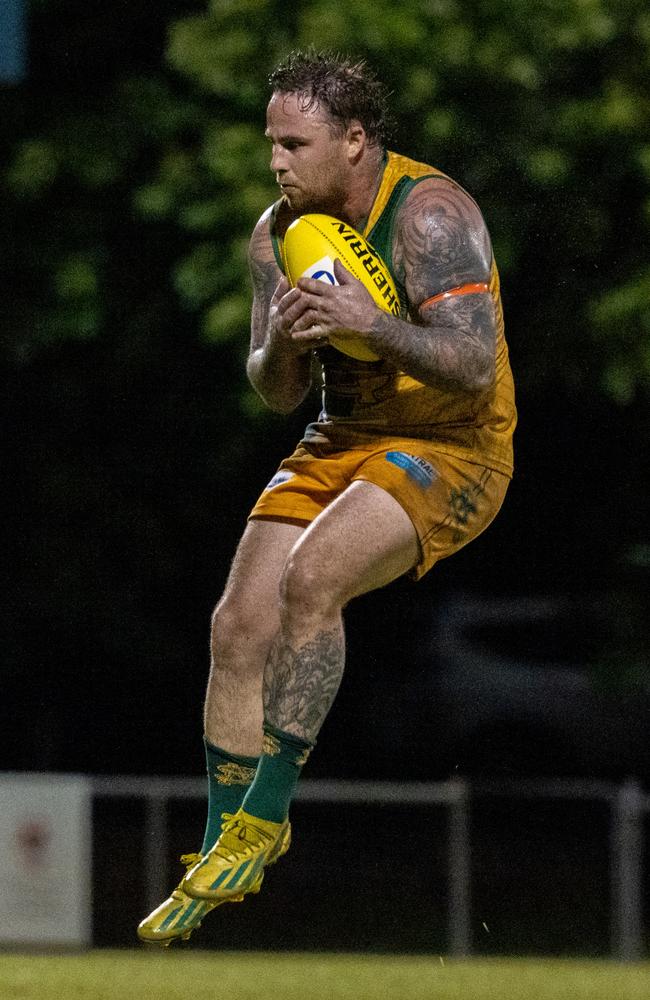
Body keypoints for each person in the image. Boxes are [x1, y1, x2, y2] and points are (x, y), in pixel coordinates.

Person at [137, 48, 516, 945]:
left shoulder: (431, 214)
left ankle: (268, 814)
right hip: (338, 438)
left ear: (354, 141)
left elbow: (473, 363)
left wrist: (367, 327)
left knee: (312, 580)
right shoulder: (275, 235)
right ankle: (220, 850)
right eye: (270, 142)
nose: (276, 162)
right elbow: (272, 390)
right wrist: (287, 347)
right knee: (237, 624)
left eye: (294, 143)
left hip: (451, 444)